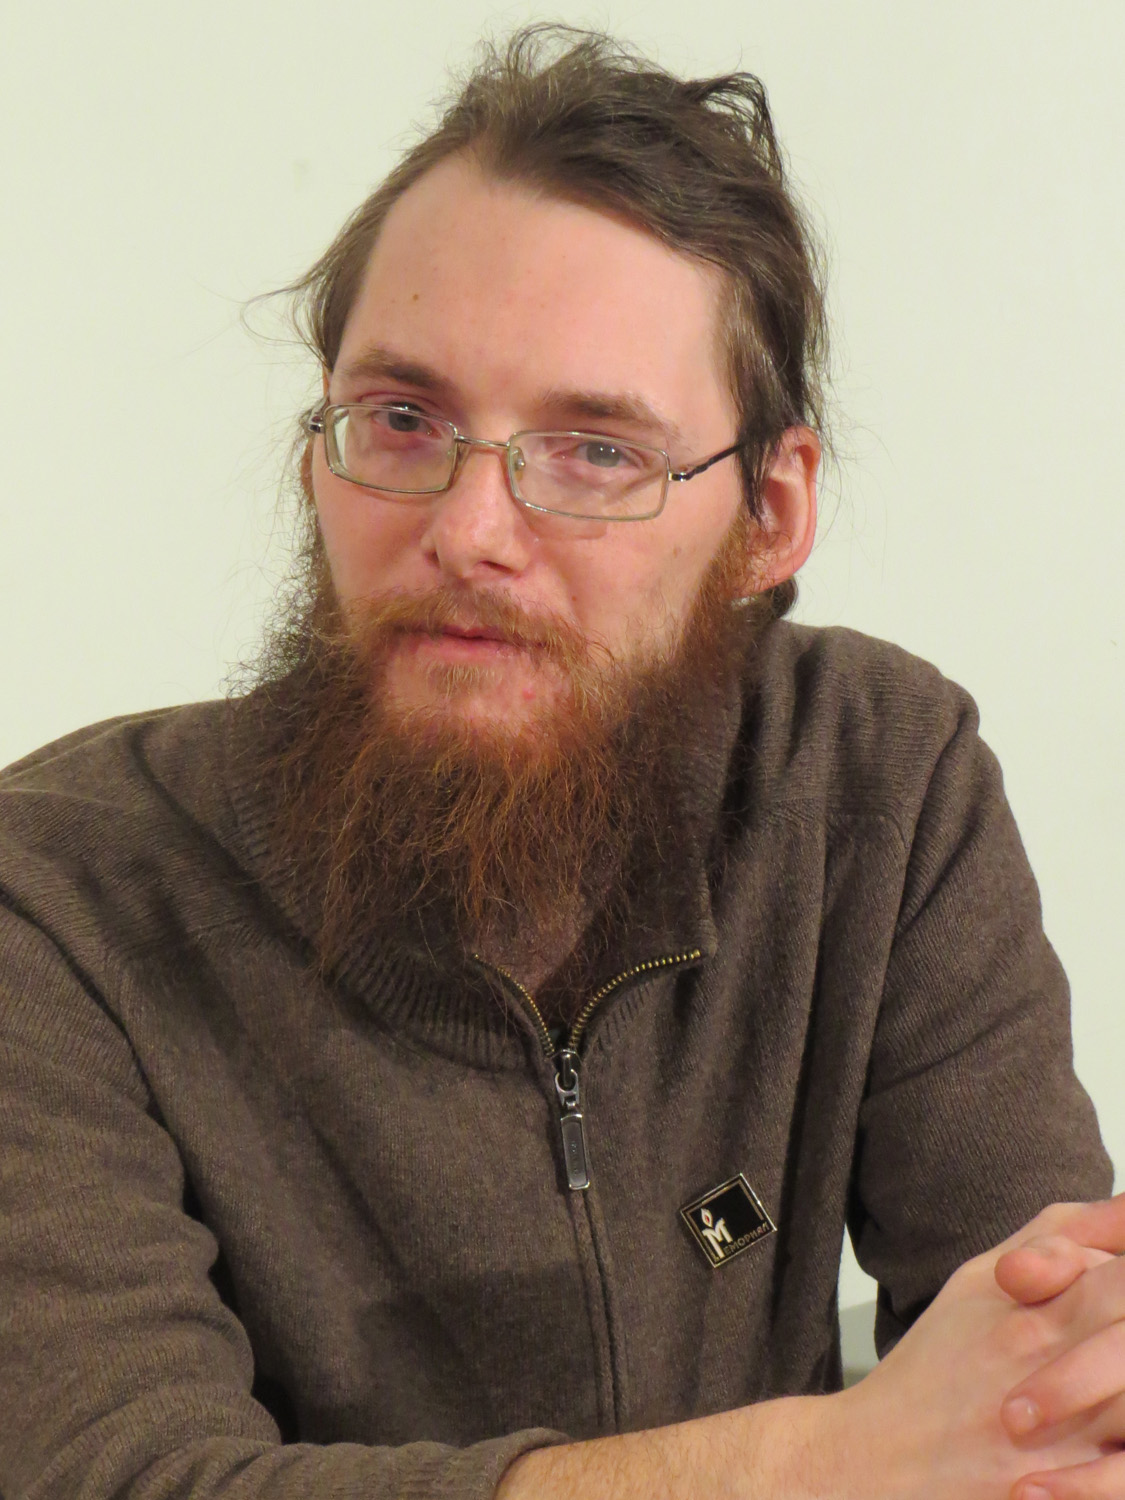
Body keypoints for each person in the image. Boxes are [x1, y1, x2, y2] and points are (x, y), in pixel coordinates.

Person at [0, 23, 1122, 1500]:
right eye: (402, 421)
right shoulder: (56, 896)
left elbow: (1046, 1385)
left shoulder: (876, 779)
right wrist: (828, 1462)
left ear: (769, 517)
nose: (468, 531)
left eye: (596, 450)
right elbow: (113, 1477)